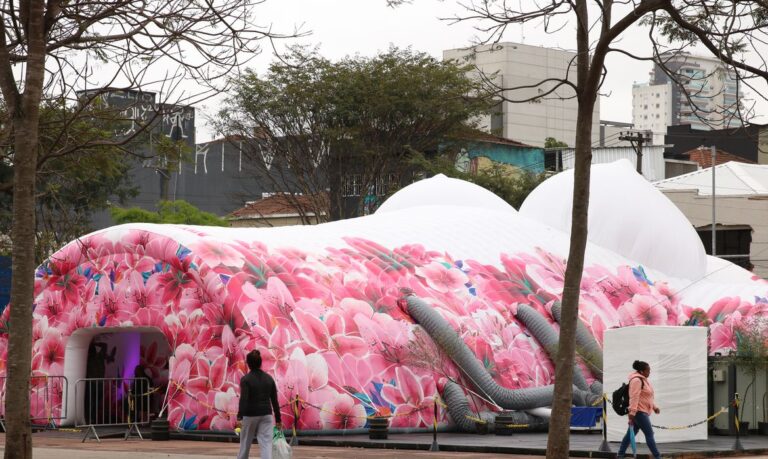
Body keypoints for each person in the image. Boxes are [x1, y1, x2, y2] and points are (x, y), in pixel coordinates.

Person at [237, 350, 282, 459]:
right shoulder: (269, 379)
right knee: (266, 445)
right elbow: (274, 401)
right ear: (260, 363)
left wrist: (239, 417)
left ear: (248, 364)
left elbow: (244, 399)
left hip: (250, 416)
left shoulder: (245, 379)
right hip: (266, 415)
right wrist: (278, 419)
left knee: (245, 444)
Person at [617, 360, 662, 459]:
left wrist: (654, 407)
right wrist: (632, 412)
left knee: (629, 435)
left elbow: (646, 397)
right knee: (650, 434)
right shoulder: (637, 380)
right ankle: (658, 457)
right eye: (648, 370)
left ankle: (620, 455)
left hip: (640, 412)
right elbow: (634, 397)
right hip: (639, 412)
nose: (649, 372)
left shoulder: (644, 380)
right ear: (642, 371)